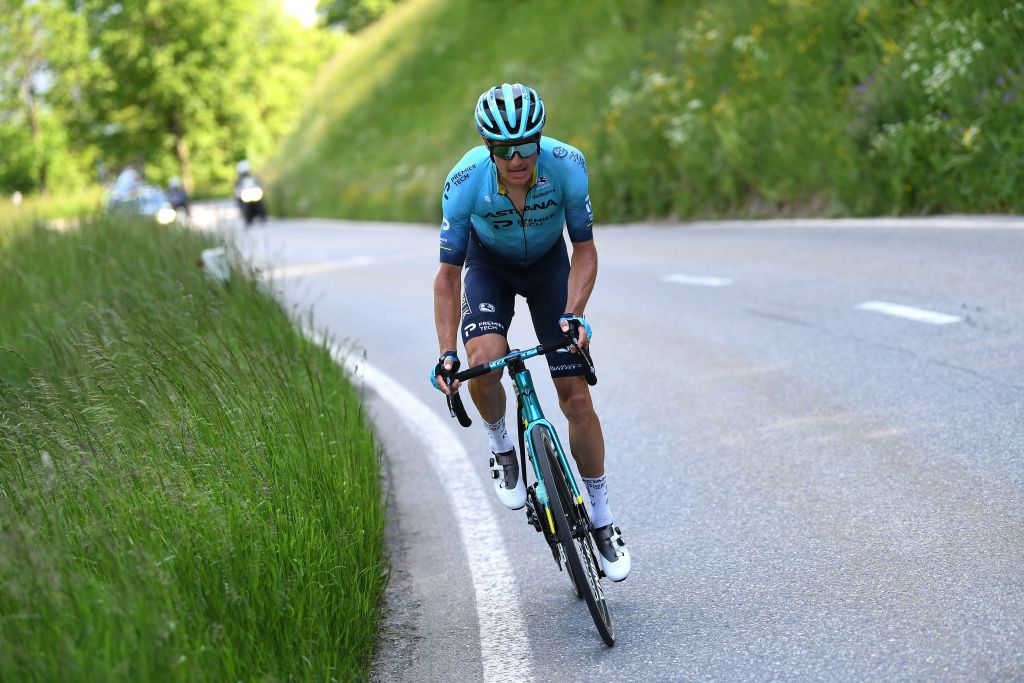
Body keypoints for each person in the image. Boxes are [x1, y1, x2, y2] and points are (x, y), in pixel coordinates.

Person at [430, 83, 630, 581]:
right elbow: (448, 275)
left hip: (548, 268)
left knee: (576, 398)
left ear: (539, 138)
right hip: (488, 267)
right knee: (485, 359)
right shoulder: (464, 181)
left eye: (525, 145)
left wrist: (575, 313)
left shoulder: (567, 165)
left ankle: (602, 519)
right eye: (502, 148)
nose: (516, 158)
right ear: (487, 145)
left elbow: (584, 249)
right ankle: (502, 445)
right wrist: (447, 353)